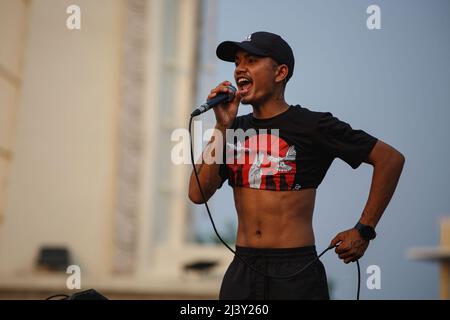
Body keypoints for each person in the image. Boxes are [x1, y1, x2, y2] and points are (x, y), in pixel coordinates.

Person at [188, 31, 405, 300]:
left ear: (280, 73)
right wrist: (221, 126)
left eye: (252, 60)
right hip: (243, 269)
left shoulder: (313, 125)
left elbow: (390, 159)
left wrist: (364, 230)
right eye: (237, 62)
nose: (240, 69)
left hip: (295, 271)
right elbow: (197, 194)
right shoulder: (232, 130)